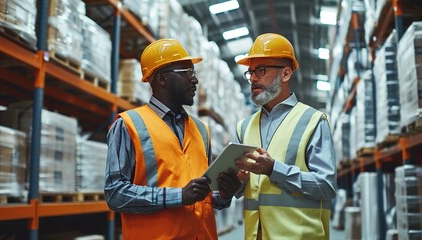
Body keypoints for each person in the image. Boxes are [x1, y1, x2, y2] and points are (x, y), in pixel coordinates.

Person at [104, 39, 241, 240]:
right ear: (162, 79)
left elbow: (207, 198)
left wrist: (225, 193)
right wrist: (178, 196)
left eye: (194, 73)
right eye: (187, 73)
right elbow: (115, 194)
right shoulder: (128, 125)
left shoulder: (201, 130)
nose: (195, 80)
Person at [233, 33, 337, 239]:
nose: (253, 78)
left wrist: (273, 170)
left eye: (261, 70)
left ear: (286, 74)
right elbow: (244, 189)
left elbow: (326, 186)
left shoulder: (313, 121)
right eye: (250, 72)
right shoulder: (243, 127)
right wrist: (235, 183)